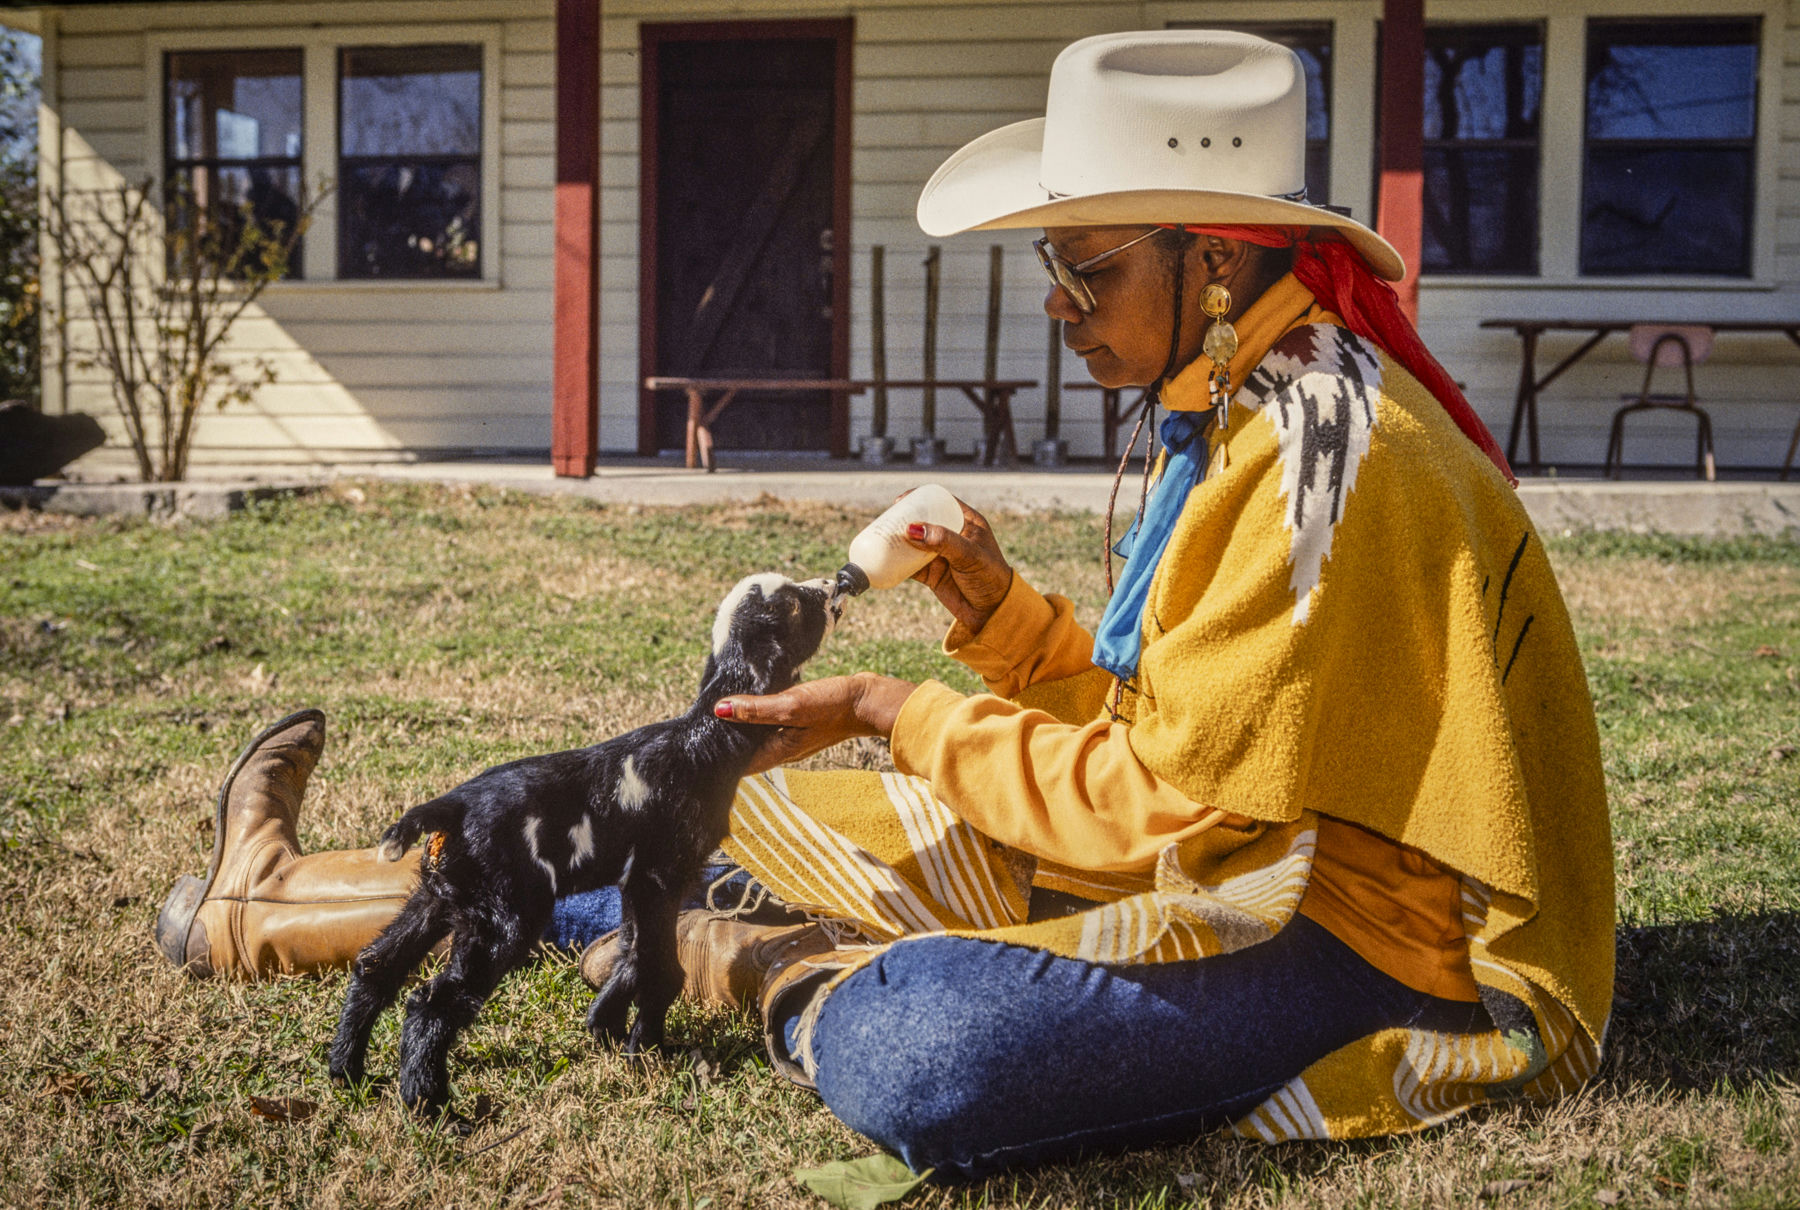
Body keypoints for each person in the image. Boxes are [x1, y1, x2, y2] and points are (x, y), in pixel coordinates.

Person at [156, 30, 1613, 1178]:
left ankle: (746, 957)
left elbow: (1172, 811)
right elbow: (1187, 730)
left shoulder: (1313, 460)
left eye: (1087, 267)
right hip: (1240, 849)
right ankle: (278, 904)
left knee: (927, 1050)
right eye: (1054, 265)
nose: (1060, 303)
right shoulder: (1247, 405)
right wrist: (1000, 616)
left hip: (1355, 938)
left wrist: (887, 710)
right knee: (709, 819)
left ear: (1216, 256)